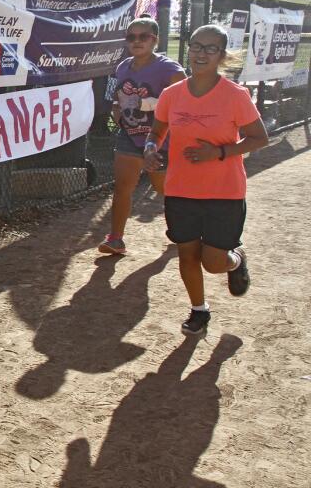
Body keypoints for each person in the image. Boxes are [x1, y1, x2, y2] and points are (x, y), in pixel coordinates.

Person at [144, 24, 268, 335]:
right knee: (187, 253)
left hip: (224, 191)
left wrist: (220, 152)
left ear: (222, 56)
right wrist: (150, 148)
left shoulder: (235, 95)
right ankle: (199, 310)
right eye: (196, 46)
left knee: (213, 262)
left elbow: (258, 138)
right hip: (181, 189)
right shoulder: (172, 94)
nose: (201, 53)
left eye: (210, 49)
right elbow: (157, 131)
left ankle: (236, 260)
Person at [97, 17, 186, 255]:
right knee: (122, 187)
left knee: (162, 187)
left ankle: (180, 229)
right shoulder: (122, 66)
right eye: (131, 37)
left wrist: (147, 104)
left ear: (154, 40)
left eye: (143, 36)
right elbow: (116, 97)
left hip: (160, 139)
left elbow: (185, 103)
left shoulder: (170, 69)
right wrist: (118, 113)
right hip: (130, 136)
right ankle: (116, 239)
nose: (136, 41)